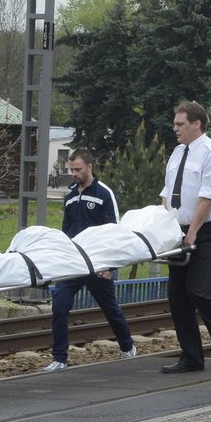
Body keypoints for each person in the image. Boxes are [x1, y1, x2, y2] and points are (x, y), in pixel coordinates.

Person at [158, 100, 211, 374]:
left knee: (198, 290)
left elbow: (208, 196)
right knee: (177, 295)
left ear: (197, 124)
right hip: (178, 231)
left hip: (205, 231)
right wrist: (161, 225)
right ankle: (191, 356)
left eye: (180, 124)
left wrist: (192, 231)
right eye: (175, 124)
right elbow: (168, 192)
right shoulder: (178, 153)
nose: (175, 129)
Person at [45, 148, 135, 371]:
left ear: (89, 167)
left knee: (110, 309)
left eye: (78, 169)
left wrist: (109, 266)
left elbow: (114, 231)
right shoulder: (70, 196)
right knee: (59, 307)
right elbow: (66, 231)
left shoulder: (104, 193)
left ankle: (127, 347)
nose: (73, 173)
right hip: (73, 264)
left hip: (98, 264)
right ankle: (59, 359)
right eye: (71, 170)